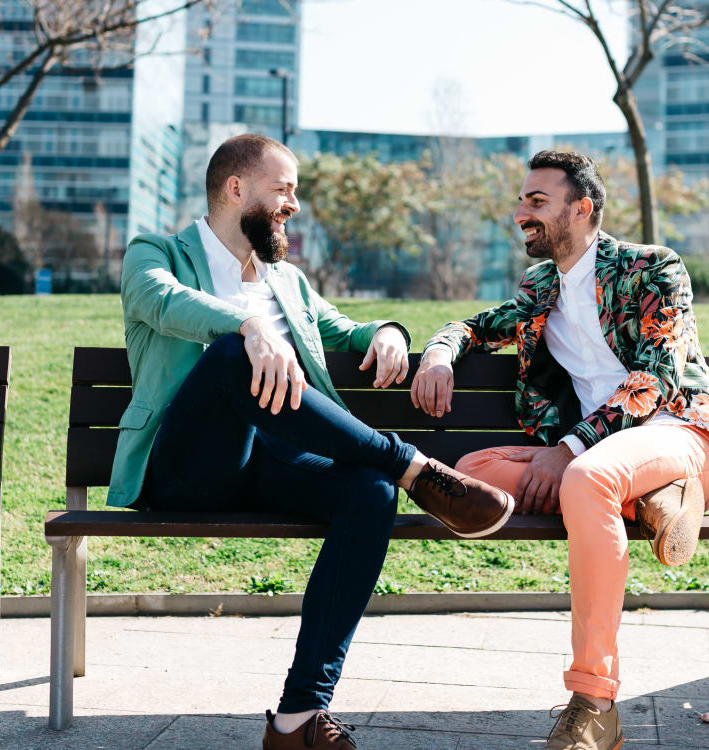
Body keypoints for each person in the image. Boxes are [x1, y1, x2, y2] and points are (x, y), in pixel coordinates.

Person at [105, 133, 513, 750]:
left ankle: (298, 717)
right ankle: (415, 467)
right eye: (284, 190)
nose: (294, 204)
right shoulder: (155, 252)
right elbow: (158, 302)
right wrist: (249, 327)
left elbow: (346, 328)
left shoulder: (286, 281)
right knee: (230, 357)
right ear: (237, 188)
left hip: (276, 464)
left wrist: (389, 333)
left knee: (371, 492)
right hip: (189, 467)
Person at [410, 151, 709, 750]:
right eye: (522, 200)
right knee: (475, 474)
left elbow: (656, 376)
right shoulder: (543, 286)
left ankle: (595, 701)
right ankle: (655, 504)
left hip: (684, 434)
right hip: (609, 458)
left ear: (583, 208)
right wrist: (440, 352)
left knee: (588, 477)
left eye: (537, 202)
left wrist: (568, 451)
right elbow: (477, 324)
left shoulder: (653, 268)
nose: (522, 212)